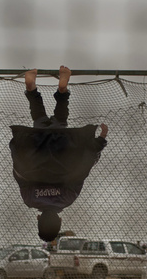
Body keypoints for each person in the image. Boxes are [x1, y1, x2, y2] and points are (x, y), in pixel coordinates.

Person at [10, 66, 108, 242]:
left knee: (61, 117)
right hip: (37, 144)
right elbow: (19, 174)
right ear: (38, 219)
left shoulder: (67, 199)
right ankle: (31, 88)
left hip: (62, 144)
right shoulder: (29, 199)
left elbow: (82, 170)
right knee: (38, 116)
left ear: (60, 221)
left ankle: (62, 90)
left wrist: (99, 142)